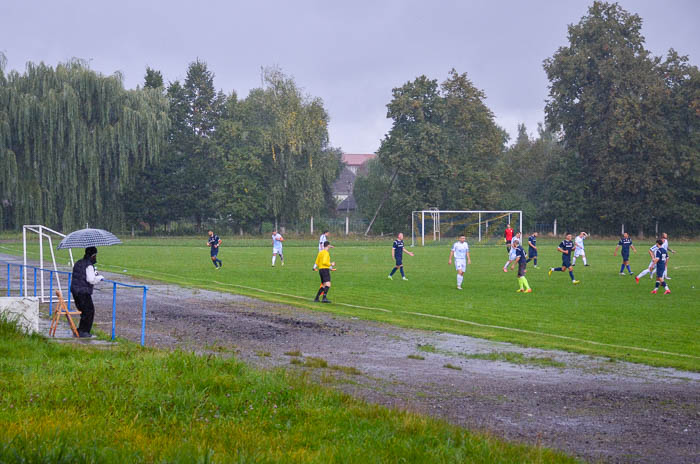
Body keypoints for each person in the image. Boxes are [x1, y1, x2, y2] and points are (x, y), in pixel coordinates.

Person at [70, 246, 104, 338]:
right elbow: (91, 279)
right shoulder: (89, 265)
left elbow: (82, 274)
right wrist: (100, 278)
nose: (95, 257)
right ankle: (84, 332)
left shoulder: (79, 262)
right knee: (89, 311)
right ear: (93, 255)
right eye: (95, 255)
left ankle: (81, 330)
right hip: (83, 291)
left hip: (75, 290)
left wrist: (94, 272)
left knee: (85, 311)